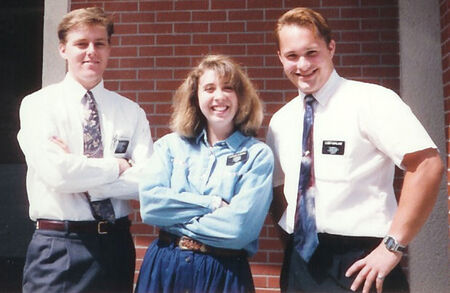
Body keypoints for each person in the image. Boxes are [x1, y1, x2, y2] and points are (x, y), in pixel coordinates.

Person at [266, 7, 444, 293]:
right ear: (280, 58)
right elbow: (278, 190)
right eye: (292, 56)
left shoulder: (371, 101)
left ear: (331, 47)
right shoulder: (281, 121)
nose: (303, 64)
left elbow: (426, 164)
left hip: (363, 262)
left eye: (312, 52)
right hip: (301, 264)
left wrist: (393, 246)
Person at [17, 7, 153, 293]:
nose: (91, 51)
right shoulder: (38, 105)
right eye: (81, 43)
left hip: (116, 247)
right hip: (59, 247)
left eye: (99, 43)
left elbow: (147, 182)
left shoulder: (131, 111)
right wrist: (117, 166)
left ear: (109, 50)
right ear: (63, 49)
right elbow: (58, 175)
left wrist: (79, 170)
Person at [135, 54, 274, 293]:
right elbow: (150, 206)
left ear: (241, 97)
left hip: (223, 271)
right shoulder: (169, 146)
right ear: (195, 97)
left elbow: (239, 229)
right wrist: (211, 204)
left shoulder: (257, 155)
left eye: (228, 88)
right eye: (209, 88)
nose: (219, 96)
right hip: (165, 266)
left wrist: (174, 221)